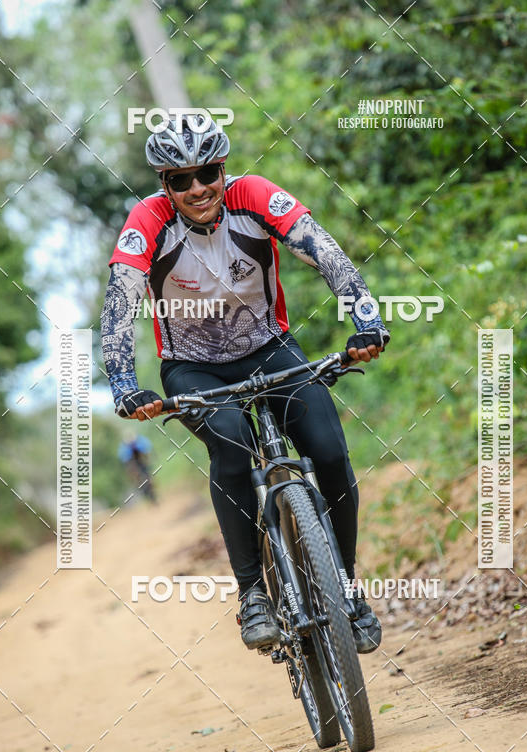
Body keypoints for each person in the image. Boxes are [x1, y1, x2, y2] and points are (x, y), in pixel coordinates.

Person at [100, 113, 388, 652]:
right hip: (192, 368)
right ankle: (254, 592)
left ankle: (345, 588)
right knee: (231, 445)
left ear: (223, 169)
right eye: (180, 179)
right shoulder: (148, 220)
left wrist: (365, 320)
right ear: (164, 185)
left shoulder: (254, 196)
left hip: (269, 351)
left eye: (206, 172)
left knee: (328, 450)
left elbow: (322, 250)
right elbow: (120, 302)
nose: (197, 188)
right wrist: (122, 383)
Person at [118, 434, 156, 502]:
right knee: (135, 476)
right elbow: (126, 461)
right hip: (133, 464)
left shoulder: (140, 443)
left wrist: (148, 460)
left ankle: (151, 484)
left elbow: (147, 451)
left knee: (148, 474)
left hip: (142, 463)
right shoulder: (124, 449)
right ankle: (142, 487)